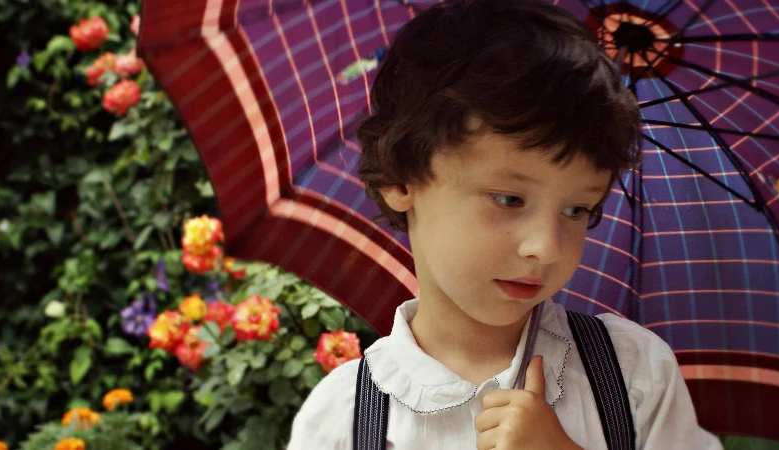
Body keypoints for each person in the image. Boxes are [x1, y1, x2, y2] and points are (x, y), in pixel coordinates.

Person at [287, 0, 722, 448]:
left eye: (577, 210)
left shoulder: (632, 373)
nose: (546, 247)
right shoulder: (342, 419)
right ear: (402, 178)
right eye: (509, 199)